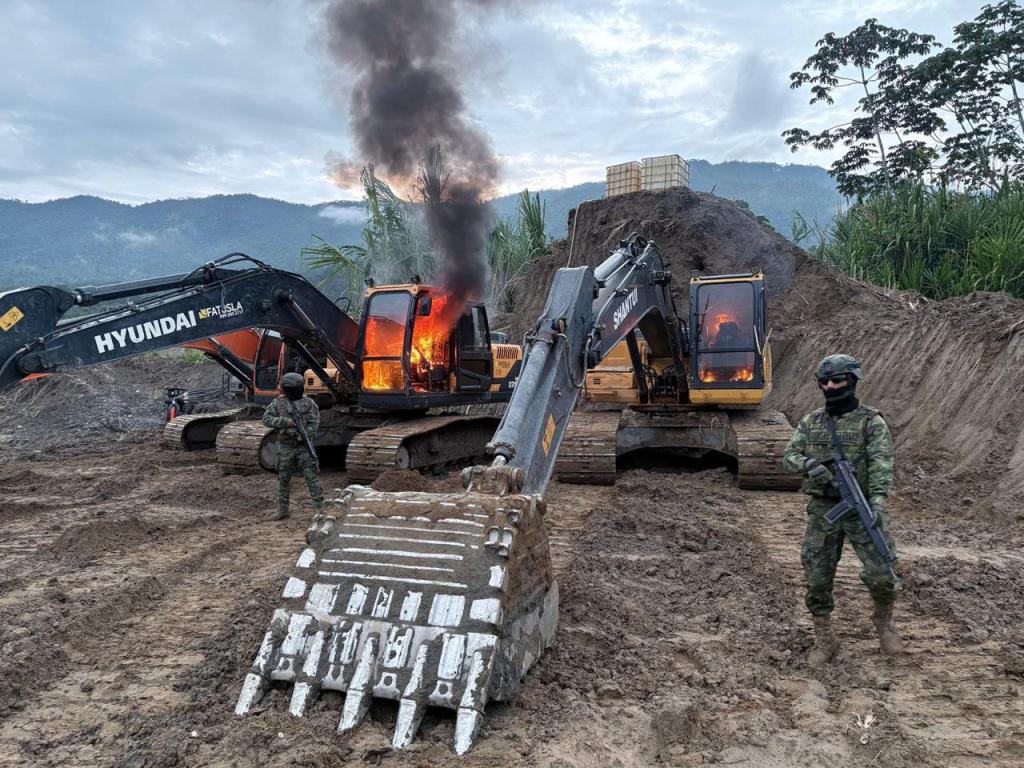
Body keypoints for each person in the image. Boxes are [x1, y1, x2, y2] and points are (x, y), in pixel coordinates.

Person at [783, 354, 902, 666]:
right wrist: (810, 464)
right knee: (817, 576)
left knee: (883, 571)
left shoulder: (870, 422)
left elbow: (881, 464)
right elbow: (790, 455)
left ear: (852, 380)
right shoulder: (811, 423)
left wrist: (876, 502)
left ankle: (883, 620)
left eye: (837, 380)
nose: (831, 386)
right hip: (824, 509)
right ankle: (825, 637)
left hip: (861, 506)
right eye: (825, 381)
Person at [262, 372, 324, 520]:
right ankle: (283, 510)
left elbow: (314, 424)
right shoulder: (278, 403)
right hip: (285, 446)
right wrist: (285, 422)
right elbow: (266, 419)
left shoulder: (309, 404)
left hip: (304, 446)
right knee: (283, 478)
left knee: (312, 477)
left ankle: (319, 510)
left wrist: (304, 435)